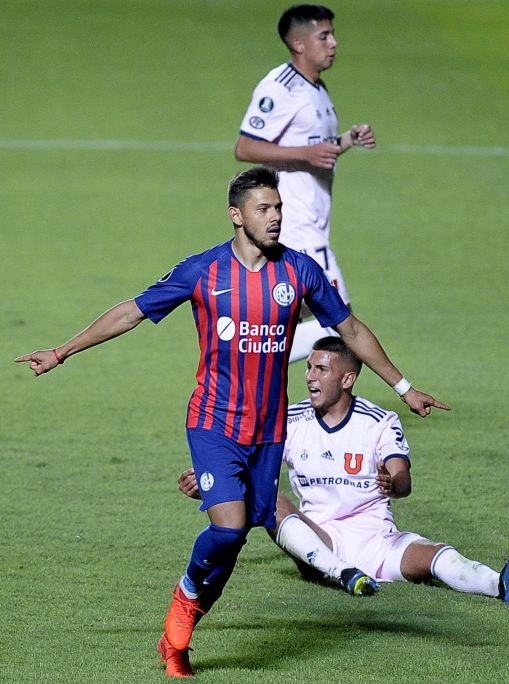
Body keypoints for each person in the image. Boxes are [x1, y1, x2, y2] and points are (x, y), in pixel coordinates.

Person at [16, 166, 449, 678]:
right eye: (264, 209)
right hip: (214, 423)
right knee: (229, 527)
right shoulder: (203, 272)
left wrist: (404, 387)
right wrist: (63, 351)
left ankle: (189, 613)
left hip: (269, 432)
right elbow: (131, 312)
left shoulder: (300, 272)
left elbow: (349, 328)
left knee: (241, 535)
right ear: (236, 215)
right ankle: (180, 614)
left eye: (279, 208)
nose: (276, 217)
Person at [178, 336, 509, 605]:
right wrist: (212, 482)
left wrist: (392, 482)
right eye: (308, 367)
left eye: (321, 369)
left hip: (377, 541)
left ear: (347, 379)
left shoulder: (379, 421)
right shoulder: (291, 420)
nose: (310, 377)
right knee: (267, 498)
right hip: (318, 540)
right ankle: (342, 572)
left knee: (434, 556)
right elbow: (247, 463)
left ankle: (502, 584)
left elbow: (402, 479)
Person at [235, 4, 375, 363]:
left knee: (291, 316)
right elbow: (245, 146)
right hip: (296, 225)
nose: (334, 43)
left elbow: (316, 151)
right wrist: (306, 155)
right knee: (338, 323)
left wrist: (345, 141)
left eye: (332, 35)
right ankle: (249, 359)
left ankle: (250, 373)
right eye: (323, 36)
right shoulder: (280, 87)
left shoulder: (317, 89)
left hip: (314, 222)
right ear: (298, 44)